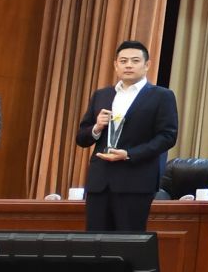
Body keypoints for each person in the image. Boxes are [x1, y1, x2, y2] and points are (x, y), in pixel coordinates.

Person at [73, 40, 180, 233]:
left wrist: (129, 154)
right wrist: (96, 127)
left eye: (135, 61)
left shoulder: (161, 96)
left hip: (135, 181)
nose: (128, 65)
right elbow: (82, 138)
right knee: (95, 242)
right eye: (123, 61)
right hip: (100, 181)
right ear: (116, 65)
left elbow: (167, 137)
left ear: (147, 65)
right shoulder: (102, 95)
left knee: (128, 241)